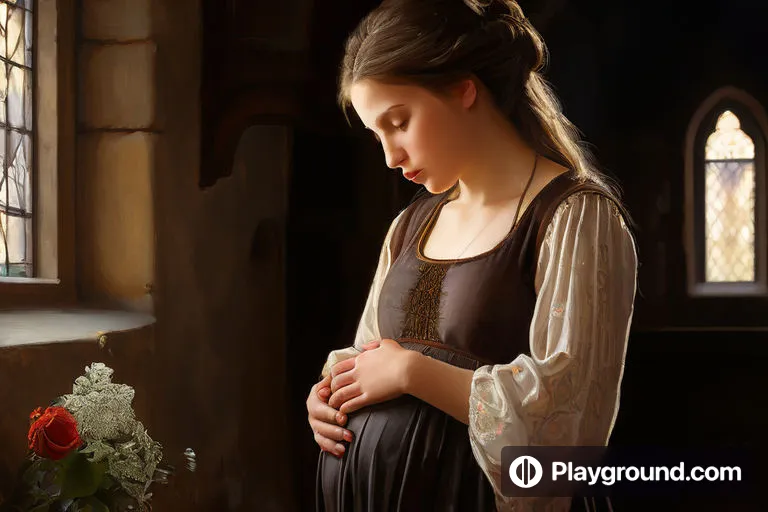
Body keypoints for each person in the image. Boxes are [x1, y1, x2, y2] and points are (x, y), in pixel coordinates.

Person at [305, 0, 638, 510]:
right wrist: (331, 396)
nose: (391, 157)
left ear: (464, 89)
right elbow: (371, 356)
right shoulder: (410, 225)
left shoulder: (574, 218)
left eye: (399, 122)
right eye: (377, 136)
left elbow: (568, 418)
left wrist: (413, 373)